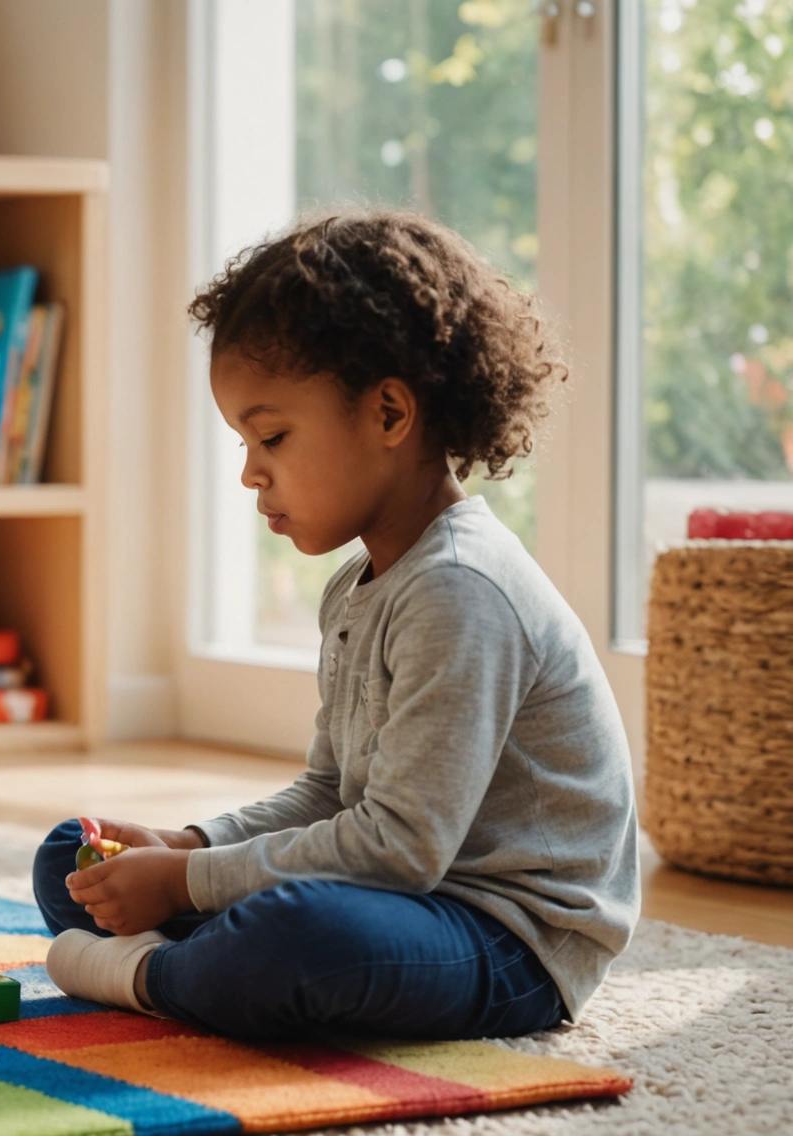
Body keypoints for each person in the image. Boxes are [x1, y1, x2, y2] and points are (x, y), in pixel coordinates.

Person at [36, 210, 639, 1040]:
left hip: (510, 941)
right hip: (406, 900)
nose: (251, 472)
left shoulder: (459, 591)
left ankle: (152, 977)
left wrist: (187, 882)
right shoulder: (361, 586)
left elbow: (399, 848)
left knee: (298, 937)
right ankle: (186, 969)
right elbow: (329, 794)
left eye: (272, 436)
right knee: (69, 856)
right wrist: (187, 842)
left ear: (390, 414)